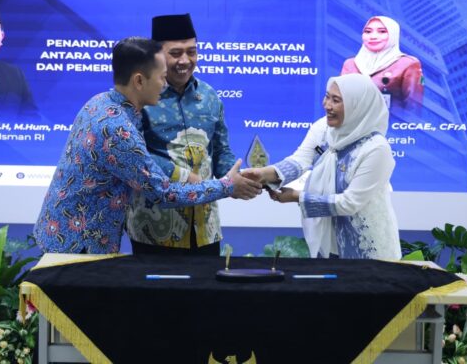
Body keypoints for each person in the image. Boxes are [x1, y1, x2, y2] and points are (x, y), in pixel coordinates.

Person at [33, 37, 262, 254]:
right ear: (139, 81)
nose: (164, 85)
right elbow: (164, 194)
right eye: (161, 77)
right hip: (77, 245)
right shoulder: (117, 131)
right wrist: (226, 186)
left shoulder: (101, 102)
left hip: (68, 236)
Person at [244, 74, 401, 260]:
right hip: (327, 242)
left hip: (367, 250)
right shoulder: (323, 128)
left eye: (336, 100)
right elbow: (300, 160)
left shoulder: (376, 149)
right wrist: (263, 174)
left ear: (357, 106)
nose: (327, 105)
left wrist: (297, 197)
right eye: (327, 97)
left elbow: (350, 203)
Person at [125, 14, 235, 256]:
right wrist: (184, 176)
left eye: (192, 52)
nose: (185, 61)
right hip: (154, 230)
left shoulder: (209, 96)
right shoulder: (140, 96)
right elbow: (136, 156)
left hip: (205, 229)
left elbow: (221, 152)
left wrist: (240, 178)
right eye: (175, 53)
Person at [341, 16, 423, 111]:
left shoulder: (408, 63)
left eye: (382, 31)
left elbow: (413, 107)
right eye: (368, 31)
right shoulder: (350, 64)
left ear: (393, 35)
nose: (373, 36)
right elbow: (338, 100)